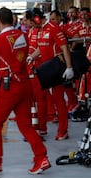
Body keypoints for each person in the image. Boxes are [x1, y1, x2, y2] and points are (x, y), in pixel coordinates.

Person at [0, 7, 50, 175]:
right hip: (25, 84)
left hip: (9, 87)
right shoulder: (23, 36)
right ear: (14, 20)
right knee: (25, 125)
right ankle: (41, 157)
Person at [27, 8, 74, 141]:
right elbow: (41, 48)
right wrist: (31, 57)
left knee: (58, 100)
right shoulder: (40, 29)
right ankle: (42, 128)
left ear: (36, 18)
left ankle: (63, 131)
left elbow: (64, 47)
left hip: (57, 68)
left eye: (32, 21)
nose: (31, 24)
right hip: (46, 69)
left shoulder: (53, 27)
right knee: (45, 98)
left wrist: (69, 67)